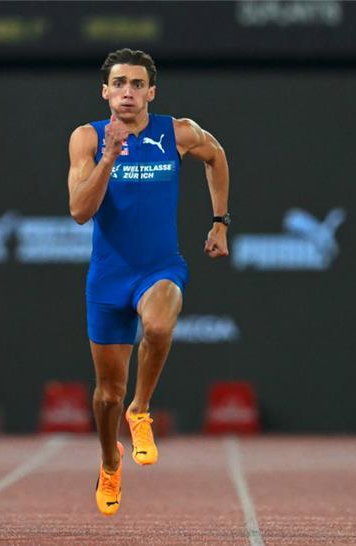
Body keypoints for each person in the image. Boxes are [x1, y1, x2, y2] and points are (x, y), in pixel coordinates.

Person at [67, 48, 229, 516]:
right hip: (109, 277)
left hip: (160, 266)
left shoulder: (176, 132)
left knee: (158, 327)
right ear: (105, 92)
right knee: (105, 396)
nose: (128, 92)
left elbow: (216, 156)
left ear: (151, 92)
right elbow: (80, 211)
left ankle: (141, 409)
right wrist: (110, 156)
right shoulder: (86, 138)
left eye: (137, 84)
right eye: (119, 84)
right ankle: (109, 461)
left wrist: (220, 220)